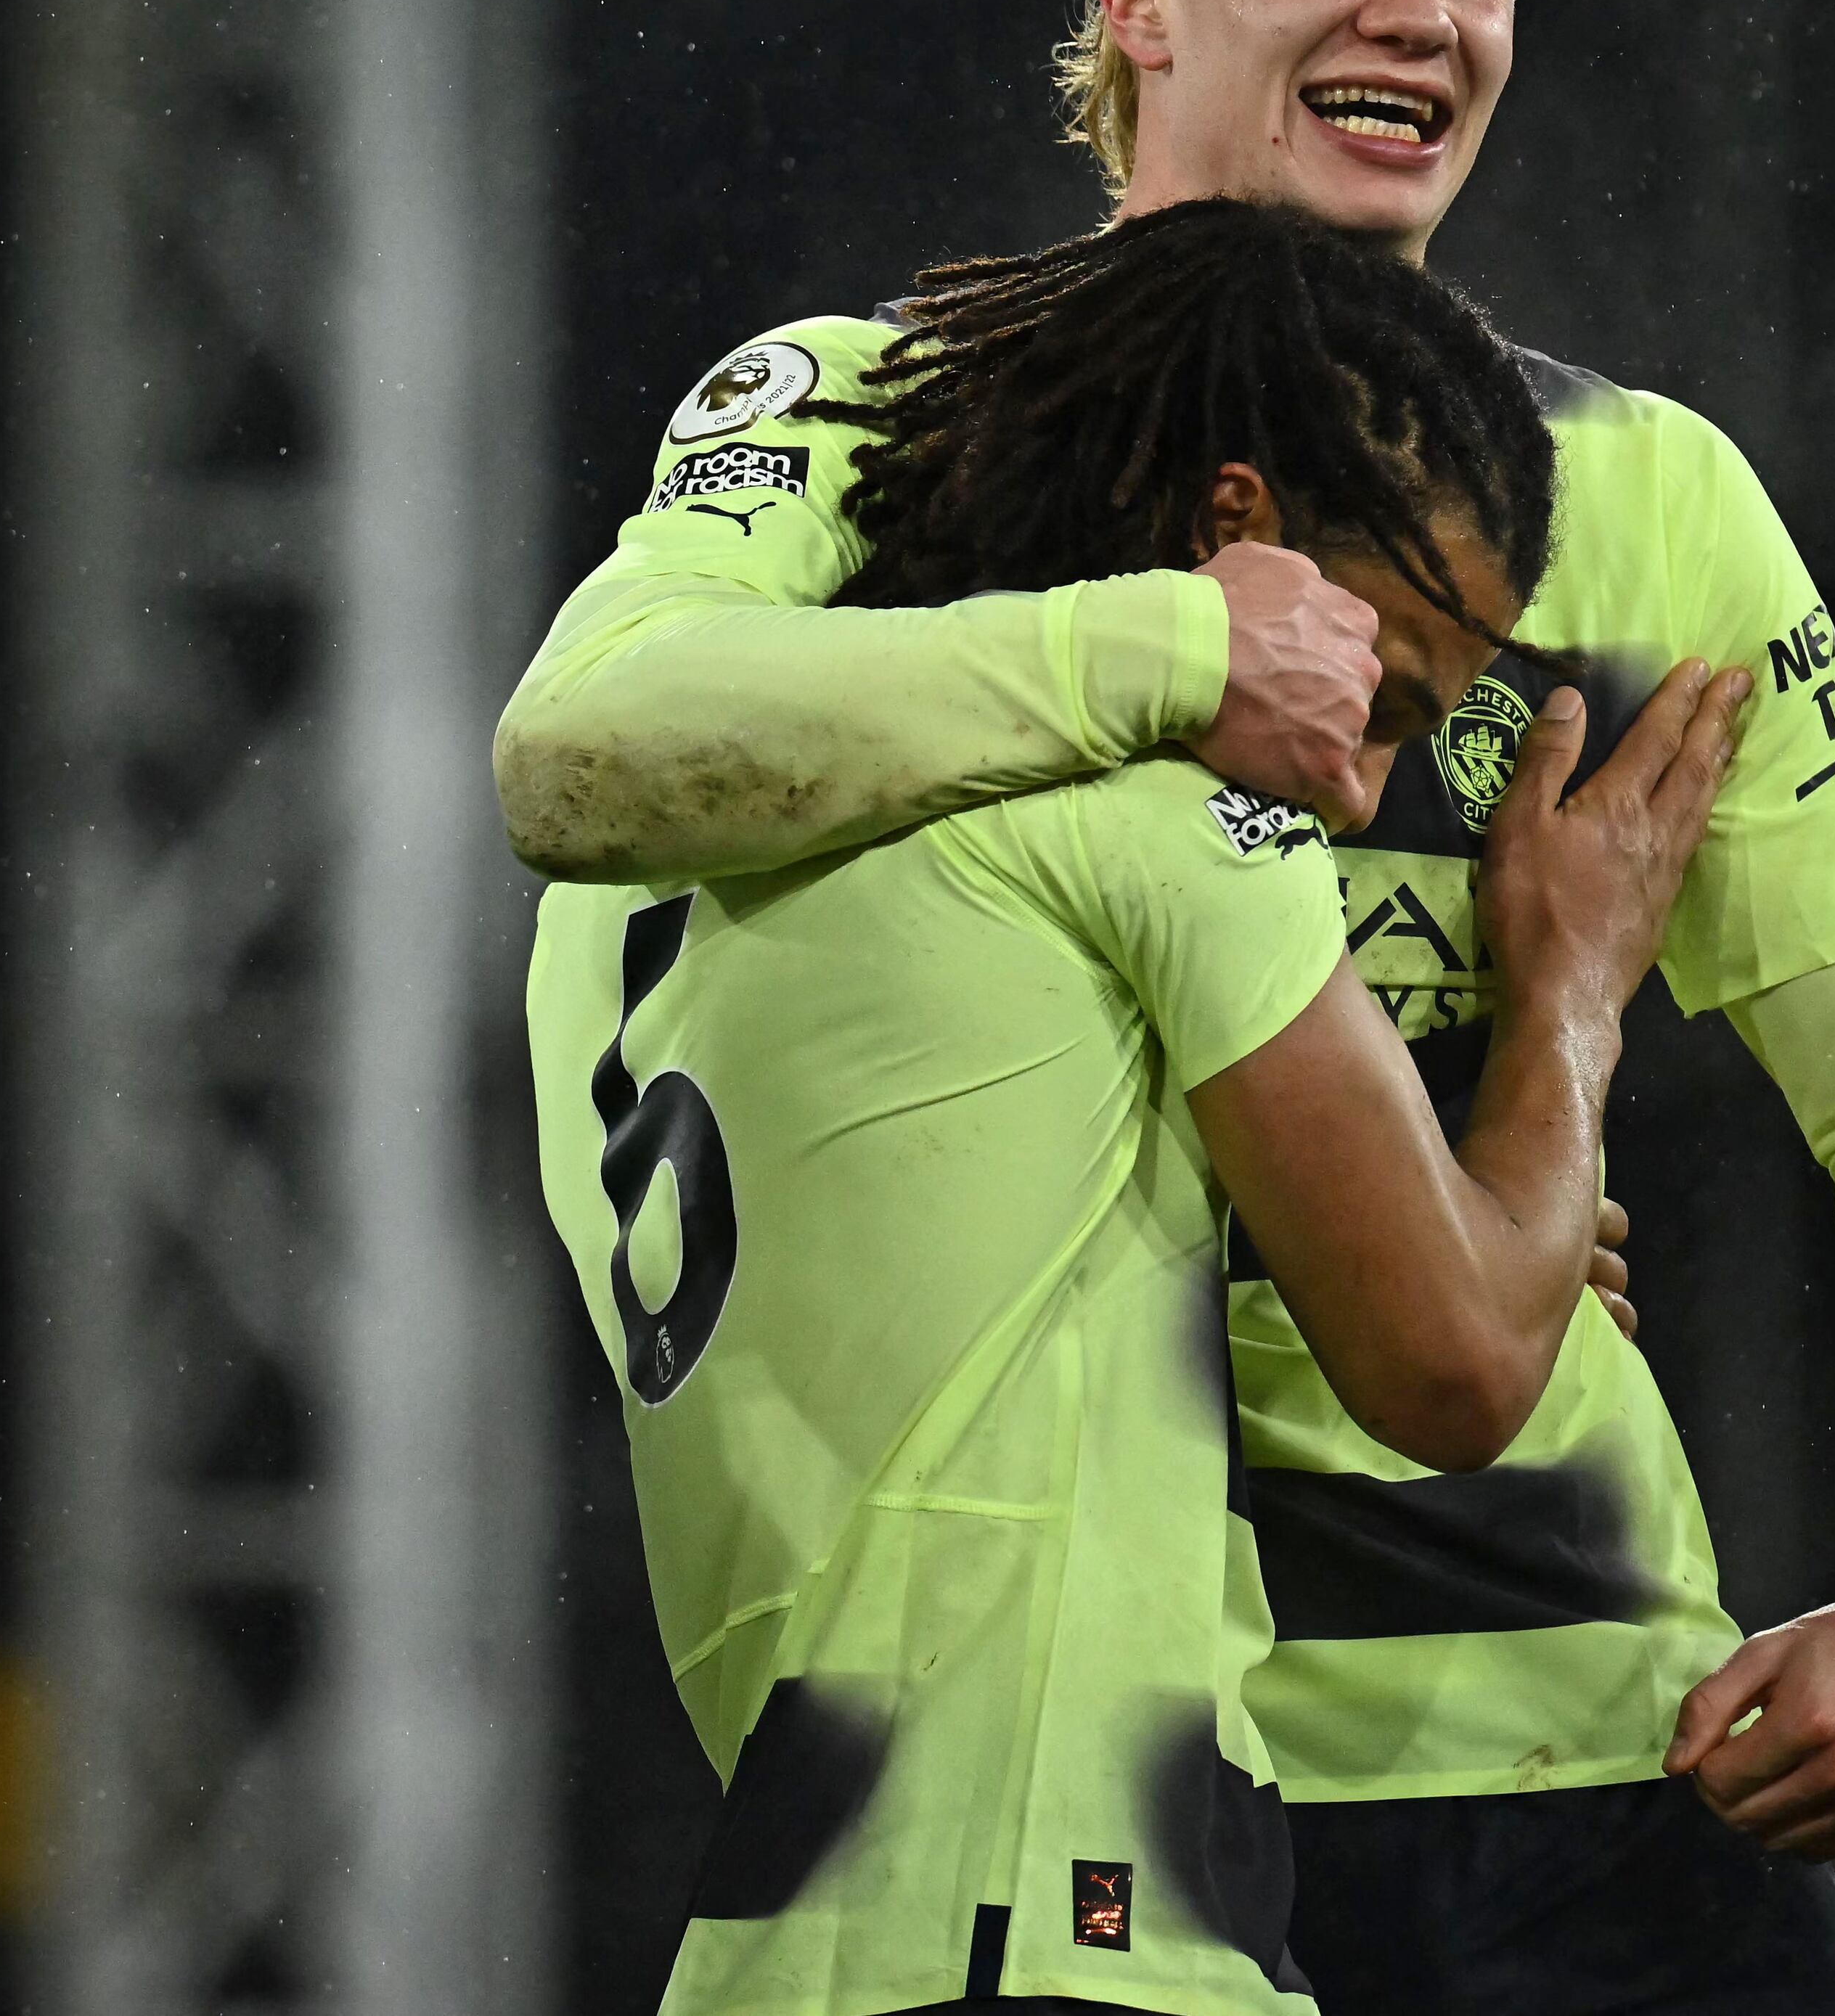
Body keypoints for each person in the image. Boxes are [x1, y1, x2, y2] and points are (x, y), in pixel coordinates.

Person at [499, 0, 1835, 2015]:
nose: (1418, 14)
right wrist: (1169, 663)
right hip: (1082, 1760)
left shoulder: (1653, 496)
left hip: (1589, 1743)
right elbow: (585, 755)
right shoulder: (869, 416)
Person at [529, 199, 1738, 2016]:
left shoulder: (652, 899)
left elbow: (945, 1181)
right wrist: (1565, 1004)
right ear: (1232, 534)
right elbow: (1463, 1366)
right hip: (1056, 1906)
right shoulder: (1160, 819)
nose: (1360, 784)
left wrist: (1330, 1206)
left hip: (807, 1913)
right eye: (1380, 687)